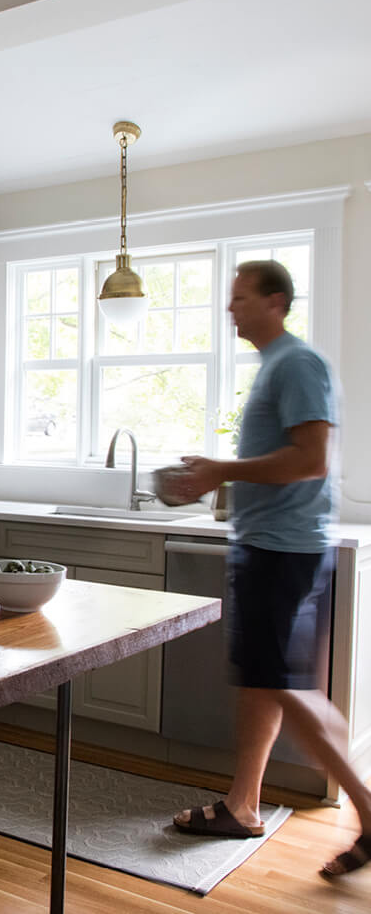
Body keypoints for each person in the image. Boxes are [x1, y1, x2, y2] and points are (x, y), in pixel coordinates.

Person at [171, 259, 371, 878]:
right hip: (270, 545)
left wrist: (220, 471)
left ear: (276, 301)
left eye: (239, 299)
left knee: (284, 683)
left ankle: (368, 808)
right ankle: (244, 805)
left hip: (284, 551)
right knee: (264, 681)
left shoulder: (298, 364)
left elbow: (311, 459)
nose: (229, 309)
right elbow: (287, 460)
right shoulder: (275, 368)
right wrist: (217, 480)